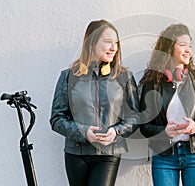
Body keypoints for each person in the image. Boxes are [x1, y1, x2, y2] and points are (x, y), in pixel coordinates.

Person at [49, 20, 139, 186]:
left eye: (116, 43)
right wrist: (83, 132)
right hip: (76, 153)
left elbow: (134, 117)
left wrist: (116, 132)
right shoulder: (69, 76)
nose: (114, 48)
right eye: (108, 42)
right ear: (91, 43)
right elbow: (56, 119)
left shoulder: (124, 77)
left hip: (108, 154)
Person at [139, 24, 195, 186]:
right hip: (164, 157)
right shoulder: (152, 84)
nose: (188, 50)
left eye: (190, 46)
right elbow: (144, 126)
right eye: (183, 45)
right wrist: (164, 131)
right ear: (169, 48)